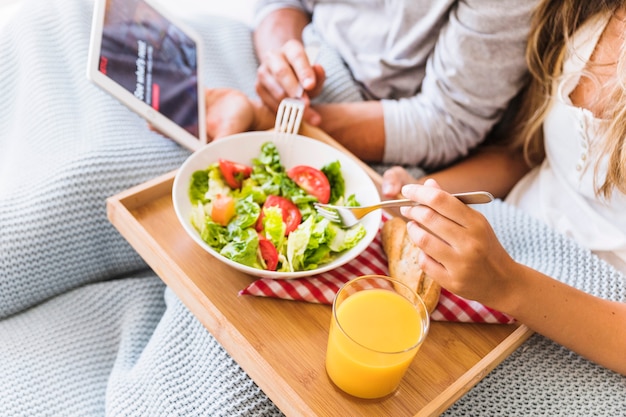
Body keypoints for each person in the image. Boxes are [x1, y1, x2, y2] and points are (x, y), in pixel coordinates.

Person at [381, 0, 626, 375]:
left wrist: (507, 284)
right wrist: (426, 193)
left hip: (586, 327)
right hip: (505, 240)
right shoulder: (586, 9)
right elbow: (527, 154)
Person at [205, 0, 538, 169]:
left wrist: (270, 124)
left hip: (363, 126)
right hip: (265, 58)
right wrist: (280, 59)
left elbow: (449, 121)